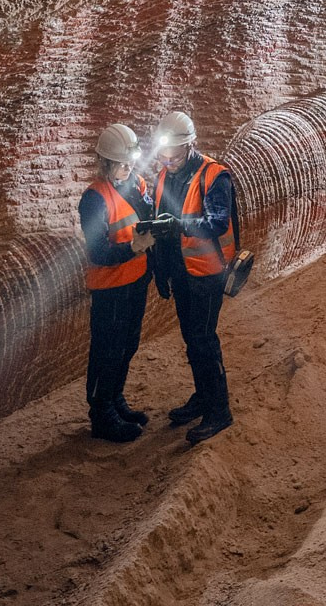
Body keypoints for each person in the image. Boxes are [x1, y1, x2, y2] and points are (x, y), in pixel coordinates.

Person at [146, 110, 238, 444]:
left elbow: (217, 222)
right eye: (163, 154)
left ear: (189, 146)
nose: (167, 160)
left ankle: (219, 411)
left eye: (173, 155)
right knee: (192, 340)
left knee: (203, 340)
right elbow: (158, 221)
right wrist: (160, 270)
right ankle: (204, 396)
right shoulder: (162, 177)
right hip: (181, 274)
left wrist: (180, 225)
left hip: (207, 274)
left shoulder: (215, 176)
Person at [76, 122, 161, 442]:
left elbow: (147, 218)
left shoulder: (135, 184)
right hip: (110, 287)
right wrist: (133, 248)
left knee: (127, 345)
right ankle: (101, 414)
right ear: (106, 163)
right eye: (121, 164)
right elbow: (98, 251)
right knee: (107, 351)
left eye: (130, 162)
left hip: (135, 281)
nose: (128, 168)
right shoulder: (94, 200)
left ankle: (115, 399)